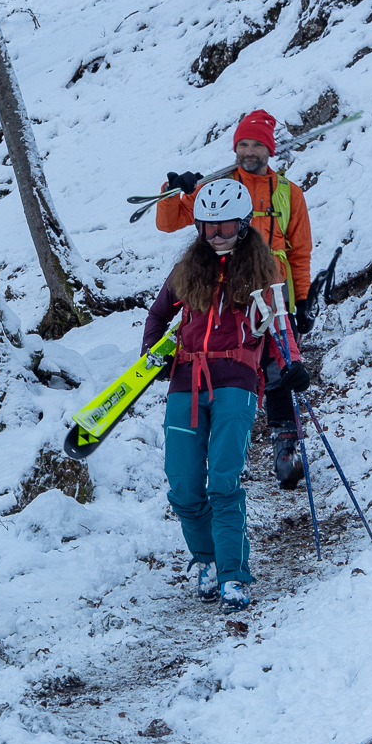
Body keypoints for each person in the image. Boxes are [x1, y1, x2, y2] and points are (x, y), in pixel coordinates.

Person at [143, 179, 311, 610]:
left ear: (243, 223)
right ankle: (207, 559)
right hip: (186, 378)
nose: (216, 234)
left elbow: (278, 325)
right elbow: (159, 314)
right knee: (182, 487)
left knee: (223, 481)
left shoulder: (264, 269)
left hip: (236, 378)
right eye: (208, 227)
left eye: (225, 226)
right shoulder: (188, 268)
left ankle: (234, 574)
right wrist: (151, 355)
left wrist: (291, 364)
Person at [155, 110, 316, 489]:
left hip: (272, 291)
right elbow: (169, 221)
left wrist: (304, 298)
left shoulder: (289, 194)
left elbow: (301, 251)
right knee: (232, 370)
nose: (248, 151)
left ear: (269, 149)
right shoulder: (216, 186)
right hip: (223, 293)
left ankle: (286, 445)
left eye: (256, 144)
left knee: (279, 371)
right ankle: (222, 447)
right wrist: (175, 190)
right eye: (242, 144)